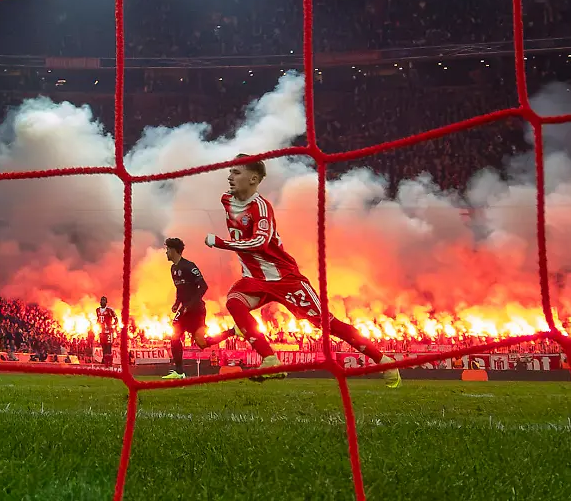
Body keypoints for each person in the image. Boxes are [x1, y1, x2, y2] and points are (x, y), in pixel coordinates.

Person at [205, 154, 400, 387]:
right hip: (255, 278)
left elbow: (260, 243)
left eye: (236, 172)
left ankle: (384, 361)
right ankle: (270, 359)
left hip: (284, 277)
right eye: (230, 171)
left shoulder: (261, 208)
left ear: (253, 179)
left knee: (328, 324)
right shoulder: (227, 199)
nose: (229, 176)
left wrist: (221, 242)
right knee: (234, 302)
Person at [162, 238, 238, 380]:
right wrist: (177, 303)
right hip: (184, 310)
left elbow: (203, 286)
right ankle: (179, 372)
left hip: (196, 310)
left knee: (201, 342)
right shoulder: (173, 269)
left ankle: (233, 331)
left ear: (173, 250)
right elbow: (180, 289)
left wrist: (190, 305)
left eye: (167, 250)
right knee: (175, 336)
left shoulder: (189, 266)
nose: (166, 253)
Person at [95, 296, 117, 368]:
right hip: (101, 331)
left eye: (104, 301)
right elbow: (98, 319)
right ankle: (104, 359)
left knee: (108, 346)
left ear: (106, 302)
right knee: (103, 346)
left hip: (108, 331)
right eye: (101, 300)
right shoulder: (97, 310)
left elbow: (116, 319)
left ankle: (109, 361)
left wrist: (112, 325)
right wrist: (97, 323)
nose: (102, 302)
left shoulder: (110, 310)